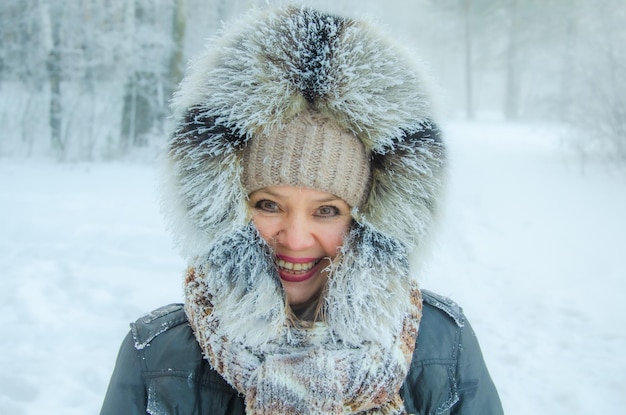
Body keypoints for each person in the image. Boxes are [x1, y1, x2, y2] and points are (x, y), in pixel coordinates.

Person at [101, 5, 503, 415]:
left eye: (327, 211)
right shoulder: (156, 359)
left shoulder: (442, 347)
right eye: (268, 204)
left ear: (369, 221)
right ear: (228, 209)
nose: (294, 239)